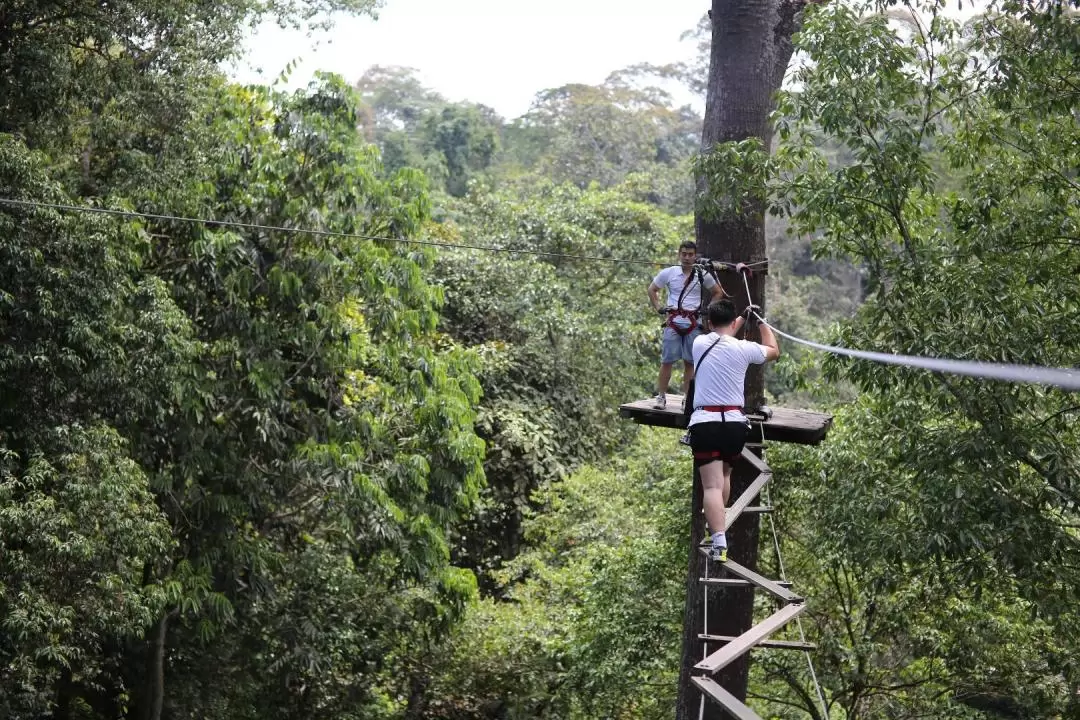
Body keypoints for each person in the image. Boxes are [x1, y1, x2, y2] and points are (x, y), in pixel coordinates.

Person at [688, 298, 780, 563]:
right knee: (724, 476)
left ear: (708, 323)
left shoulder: (699, 343)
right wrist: (760, 322)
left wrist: (741, 316)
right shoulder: (744, 349)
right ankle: (719, 525)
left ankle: (719, 542)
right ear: (732, 322)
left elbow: (724, 332)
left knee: (712, 486)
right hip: (735, 425)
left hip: (706, 422)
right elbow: (773, 350)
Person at [647, 241, 725, 409]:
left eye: (690, 255)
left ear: (695, 256)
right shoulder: (669, 273)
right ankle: (661, 397)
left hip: (693, 323)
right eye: (684, 254)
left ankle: (687, 399)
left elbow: (718, 292)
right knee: (667, 361)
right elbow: (652, 289)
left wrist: (708, 309)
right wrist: (660, 308)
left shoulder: (701, 274)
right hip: (673, 322)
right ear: (679, 254)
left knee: (690, 362)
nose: (687, 258)